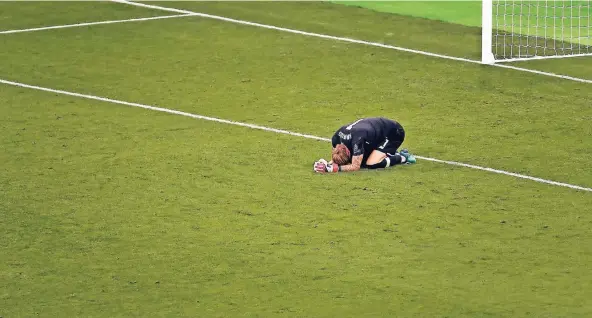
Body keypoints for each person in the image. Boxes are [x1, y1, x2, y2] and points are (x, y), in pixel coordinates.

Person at [313, 117, 416, 173]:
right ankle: (385, 153)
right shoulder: (336, 139)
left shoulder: (356, 141)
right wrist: (327, 164)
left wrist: (336, 169)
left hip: (393, 133)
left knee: (371, 163)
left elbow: (355, 166)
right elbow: (338, 158)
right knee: (363, 158)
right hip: (375, 134)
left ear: (349, 152)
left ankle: (403, 157)